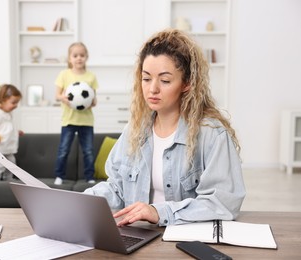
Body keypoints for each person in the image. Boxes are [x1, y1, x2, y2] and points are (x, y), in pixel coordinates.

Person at [84, 29, 246, 226]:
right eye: (146, 78)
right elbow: (117, 188)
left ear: (187, 83)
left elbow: (222, 203)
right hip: (139, 236)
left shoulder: (212, 134)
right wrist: (83, 200)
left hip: (184, 241)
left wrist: (159, 212)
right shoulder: (135, 129)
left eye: (165, 80)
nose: (153, 89)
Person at [54, 42, 99, 185]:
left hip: (86, 121)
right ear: (69, 58)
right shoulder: (64, 74)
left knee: (88, 152)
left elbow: (94, 98)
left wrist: (92, 102)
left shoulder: (91, 76)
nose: (79, 58)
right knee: (63, 150)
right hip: (69, 120)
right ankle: (59, 176)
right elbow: (57, 95)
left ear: (86, 57)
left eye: (82, 55)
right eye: (75, 55)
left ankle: (90, 177)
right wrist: (65, 99)